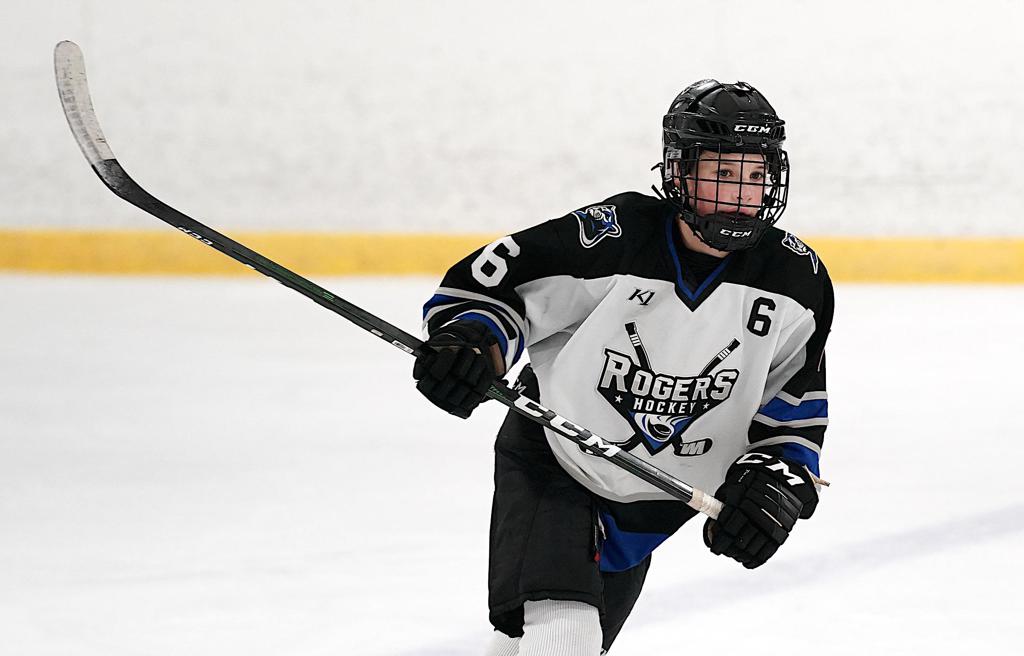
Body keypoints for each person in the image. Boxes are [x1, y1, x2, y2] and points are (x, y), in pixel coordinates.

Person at [413, 79, 834, 655]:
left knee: (527, 645)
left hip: (657, 500)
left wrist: (772, 485)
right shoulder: (611, 238)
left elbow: (791, 414)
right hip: (555, 457)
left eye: (756, 175)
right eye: (722, 173)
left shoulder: (796, 282)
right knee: (566, 637)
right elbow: (495, 286)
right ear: (679, 172)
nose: (741, 195)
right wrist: (470, 343)